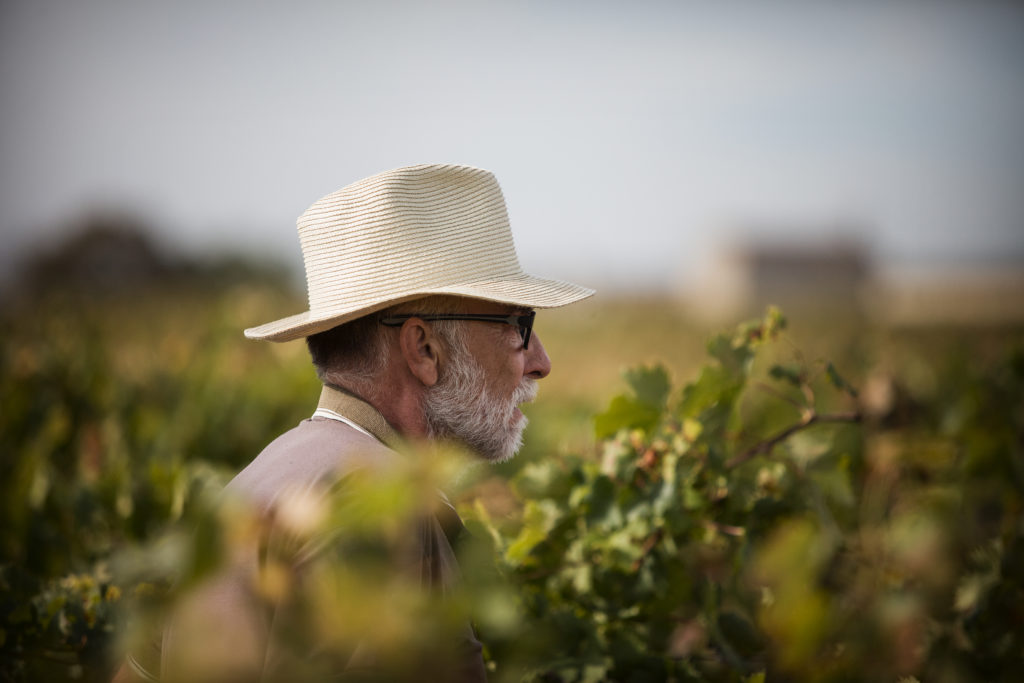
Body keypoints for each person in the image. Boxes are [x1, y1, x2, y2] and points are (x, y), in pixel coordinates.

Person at [115, 163, 593, 682]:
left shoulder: (237, 498)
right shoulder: (388, 514)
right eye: (519, 325)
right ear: (424, 349)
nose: (541, 360)